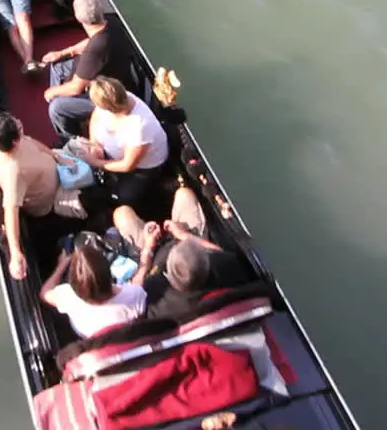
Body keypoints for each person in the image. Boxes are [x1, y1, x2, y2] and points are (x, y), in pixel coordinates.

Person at [114, 186, 248, 319]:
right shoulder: (222, 269)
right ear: (207, 264)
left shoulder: (157, 297)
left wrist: (148, 248)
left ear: (169, 274)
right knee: (184, 194)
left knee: (122, 214)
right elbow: (220, 253)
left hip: (150, 258)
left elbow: (136, 287)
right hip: (187, 236)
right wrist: (183, 235)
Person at [0, 113, 79, 280]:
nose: (21, 122)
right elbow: (10, 210)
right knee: (92, 199)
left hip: (59, 167)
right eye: (18, 127)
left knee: (85, 148)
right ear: (14, 142)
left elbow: (31, 142)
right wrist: (15, 253)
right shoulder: (12, 173)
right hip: (55, 198)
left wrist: (55, 155)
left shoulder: (4, 143)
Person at [41, 0, 131, 141]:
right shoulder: (111, 22)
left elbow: (75, 87)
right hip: (110, 72)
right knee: (57, 66)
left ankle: (70, 138)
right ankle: (69, 105)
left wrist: (51, 92)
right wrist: (64, 52)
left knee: (56, 107)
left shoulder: (94, 52)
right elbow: (91, 40)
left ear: (78, 18)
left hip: (108, 96)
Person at [75, 76, 169, 206]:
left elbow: (127, 165)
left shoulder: (140, 126)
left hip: (141, 168)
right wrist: (95, 144)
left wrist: (97, 163)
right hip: (108, 155)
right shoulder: (114, 99)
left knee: (124, 198)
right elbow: (96, 117)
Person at [40, 241, 146, 338]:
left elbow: (44, 293)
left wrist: (61, 265)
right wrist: (148, 249)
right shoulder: (134, 294)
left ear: (72, 282)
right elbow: (140, 321)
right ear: (109, 273)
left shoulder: (68, 297)